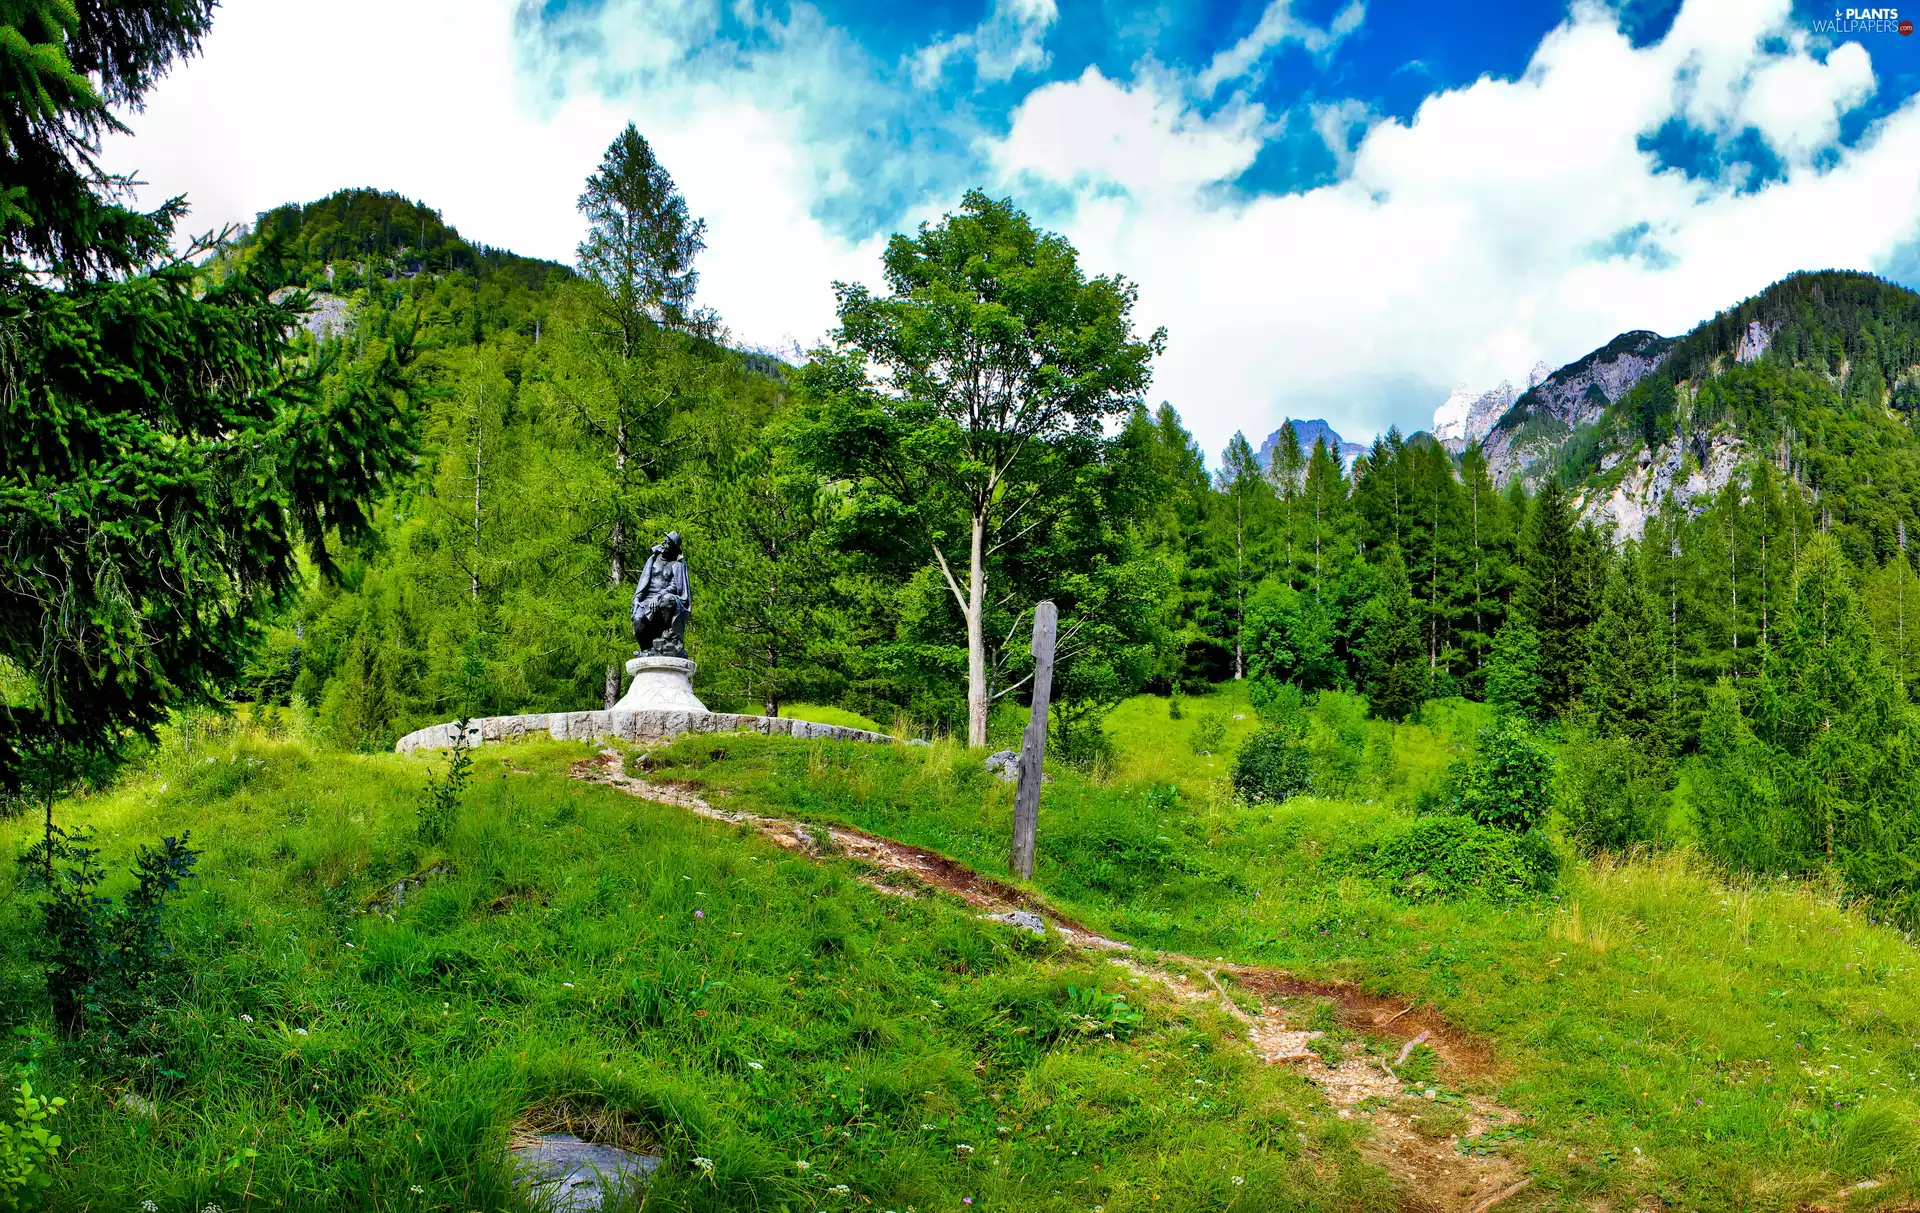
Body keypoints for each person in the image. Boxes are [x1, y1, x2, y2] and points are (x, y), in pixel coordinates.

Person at [630, 532, 691, 657]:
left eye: (667, 543)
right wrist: (637, 598)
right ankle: (646, 650)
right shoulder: (653, 559)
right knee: (638, 620)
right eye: (664, 540)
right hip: (647, 599)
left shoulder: (677, 565)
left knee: (668, 600)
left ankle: (667, 636)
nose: (663, 544)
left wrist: (659, 596)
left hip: (664, 597)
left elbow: (675, 586)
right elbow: (643, 582)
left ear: (673, 548)